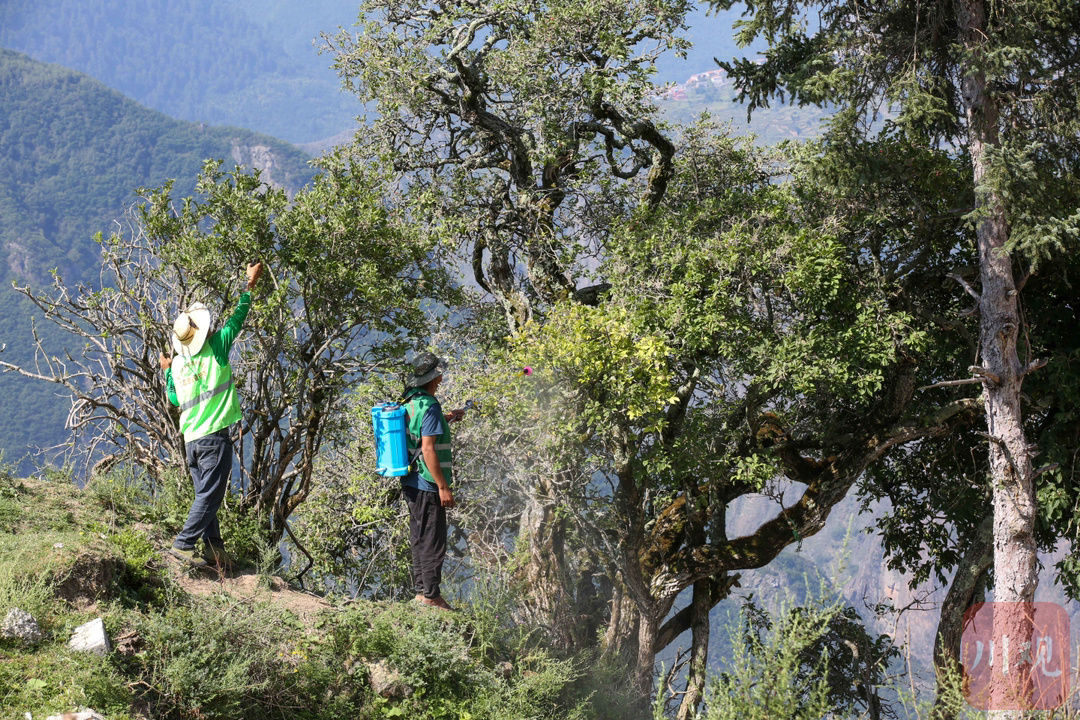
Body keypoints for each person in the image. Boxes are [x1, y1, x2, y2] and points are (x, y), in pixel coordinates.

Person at [160, 262, 263, 570]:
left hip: (191, 441)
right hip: (213, 438)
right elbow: (236, 320)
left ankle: (214, 549)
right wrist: (249, 286)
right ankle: (183, 544)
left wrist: (166, 372)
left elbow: (174, 398)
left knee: (207, 494)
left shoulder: (178, 364)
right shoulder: (216, 348)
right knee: (210, 495)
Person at [401, 352, 464, 610]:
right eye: (439, 375)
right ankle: (431, 596)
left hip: (410, 480)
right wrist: (443, 487)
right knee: (433, 540)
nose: (441, 378)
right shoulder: (430, 406)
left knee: (419, 536)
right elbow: (428, 449)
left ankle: (421, 592)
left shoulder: (410, 400)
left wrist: (446, 419)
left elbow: (418, 432)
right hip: (428, 483)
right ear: (434, 378)